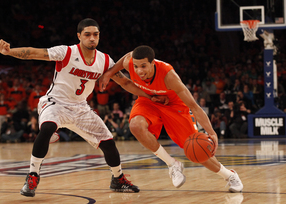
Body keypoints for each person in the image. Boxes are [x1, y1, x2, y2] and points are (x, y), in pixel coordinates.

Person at [0, 18, 166, 197]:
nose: (92, 38)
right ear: (79, 36)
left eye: (95, 34)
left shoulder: (104, 59)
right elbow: (34, 53)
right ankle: (33, 175)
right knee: (47, 128)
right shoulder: (66, 52)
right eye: (87, 34)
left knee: (108, 142)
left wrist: (149, 96)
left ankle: (118, 179)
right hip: (56, 102)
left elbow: (125, 82)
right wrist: (9, 52)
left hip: (81, 107)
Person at [99, 45, 243, 192]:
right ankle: (172, 164)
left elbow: (194, 106)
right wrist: (109, 73)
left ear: (152, 63)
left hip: (175, 105)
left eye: (143, 66)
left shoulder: (169, 76)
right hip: (149, 100)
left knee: (196, 150)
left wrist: (211, 132)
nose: (139, 71)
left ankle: (230, 175)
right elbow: (126, 64)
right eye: (136, 66)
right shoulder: (129, 62)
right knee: (135, 126)